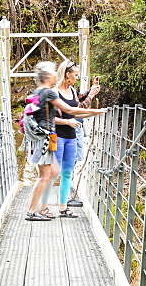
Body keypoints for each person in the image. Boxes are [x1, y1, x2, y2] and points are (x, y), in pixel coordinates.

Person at [25, 61, 105, 221]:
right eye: (53, 72)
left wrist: (92, 109)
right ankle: (35, 210)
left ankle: (42, 209)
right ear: (48, 75)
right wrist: (96, 110)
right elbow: (69, 111)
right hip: (50, 137)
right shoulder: (50, 93)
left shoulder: (40, 91)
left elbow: (75, 110)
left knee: (52, 172)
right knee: (46, 175)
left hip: (50, 136)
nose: (56, 74)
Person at [53, 59, 100, 213]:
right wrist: (91, 97)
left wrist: (91, 91)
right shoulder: (54, 93)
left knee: (67, 172)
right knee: (52, 172)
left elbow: (78, 102)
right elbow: (78, 110)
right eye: (76, 75)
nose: (77, 78)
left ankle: (63, 207)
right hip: (56, 136)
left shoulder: (72, 91)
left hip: (71, 137)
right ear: (67, 75)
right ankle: (43, 208)